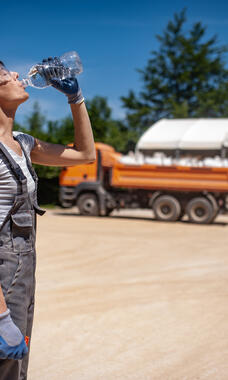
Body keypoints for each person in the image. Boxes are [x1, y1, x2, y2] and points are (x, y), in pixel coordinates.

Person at [0, 58, 96, 380]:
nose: (16, 73)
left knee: (17, 369)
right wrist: (1, 317)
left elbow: (85, 154)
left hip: (23, 275)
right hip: (2, 284)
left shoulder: (24, 145)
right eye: (5, 73)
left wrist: (75, 98)